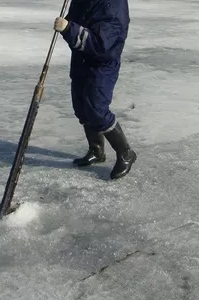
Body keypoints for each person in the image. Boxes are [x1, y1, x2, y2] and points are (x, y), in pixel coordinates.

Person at [53, 0, 136, 180]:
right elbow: (74, 21)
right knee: (81, 108)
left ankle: (125, 153)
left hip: (102, 66)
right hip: (81, 61)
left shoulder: (114, 5)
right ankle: (96, 150)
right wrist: (67, 25)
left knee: (97, 111)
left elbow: (102, 45)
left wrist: (69, 29)